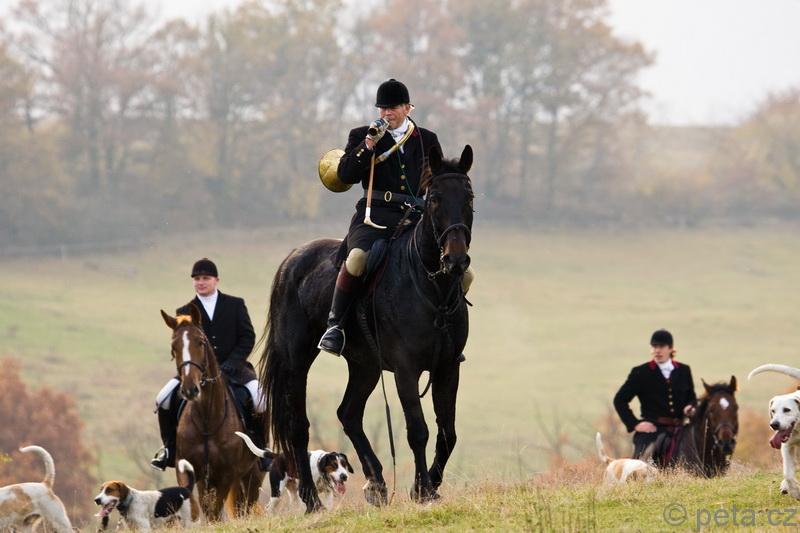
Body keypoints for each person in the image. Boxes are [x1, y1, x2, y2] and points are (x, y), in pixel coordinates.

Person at [316, 78, 473, 358]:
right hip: (373, 217)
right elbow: (345, 175)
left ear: (408, 108)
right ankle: (335, 325)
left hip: (415, 219)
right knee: (357, 259)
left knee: (464, 272)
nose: (387, 113)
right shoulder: (362, 135)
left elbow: (434, 181)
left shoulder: (427, 139)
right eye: (382, 108)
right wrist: (368, 145)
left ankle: (448, 330)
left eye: (393, 107)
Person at [151, 258, 268, 471]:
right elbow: (182, 345)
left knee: (260, 399)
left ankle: (261, 450)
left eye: (205, 278)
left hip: (235, 369)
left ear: (216, 280)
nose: (201, 282)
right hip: (194, 371)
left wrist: (231, 364)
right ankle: (169, 449)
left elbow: (247, 337)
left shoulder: (235, 304)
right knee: (163, 399)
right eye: (197, 279)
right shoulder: (184, 310)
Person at [613, 329, 697, 461]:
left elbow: (691, 397)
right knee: (642, 463)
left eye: (661, 346)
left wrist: (690, 406)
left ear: (670, 348)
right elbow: (620, 400)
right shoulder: (640, 372)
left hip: (681, 429)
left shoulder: (684, 370)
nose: (657, 350)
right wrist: (635, 424)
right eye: (654, 346)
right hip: (652, 431)